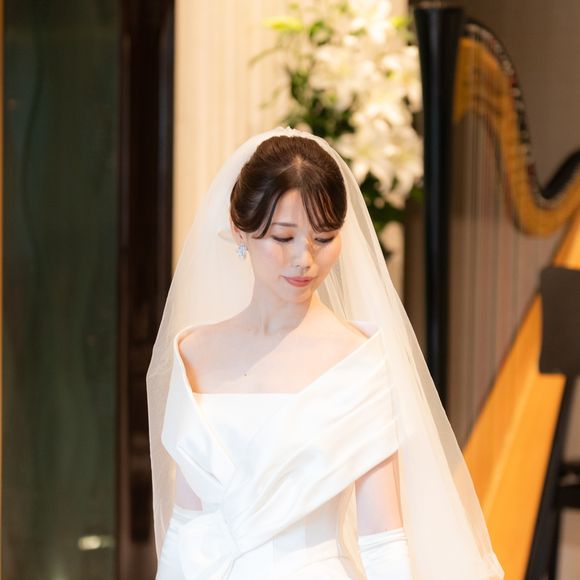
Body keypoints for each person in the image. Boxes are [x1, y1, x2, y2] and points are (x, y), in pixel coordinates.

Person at [146, 127, 504, 579]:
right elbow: (187, 527)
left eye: (324, 237)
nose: (304, 259)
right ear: (240, 230)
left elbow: (383, 539)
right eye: (283, 238)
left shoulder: (358, 361)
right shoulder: (193, 353)